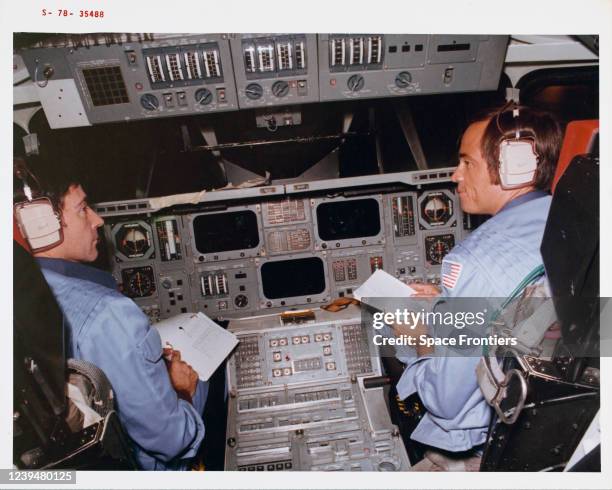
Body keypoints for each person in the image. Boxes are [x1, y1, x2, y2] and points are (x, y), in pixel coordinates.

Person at [393, 104, 562, 471]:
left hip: (491, 447)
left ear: (512, 167)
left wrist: (419, 335)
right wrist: (446, 305)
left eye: (467, 162)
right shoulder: (567, 221)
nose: (455, 175)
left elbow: (444, 400)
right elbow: (520, 307)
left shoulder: (474, 260)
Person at [14, 163, 208, 470]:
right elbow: (173, 440)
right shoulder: (107, 314)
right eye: (83, 209)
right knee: (210, 379)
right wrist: (183, 392)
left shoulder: (19, 296)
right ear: (39, 223)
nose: (98, 220)